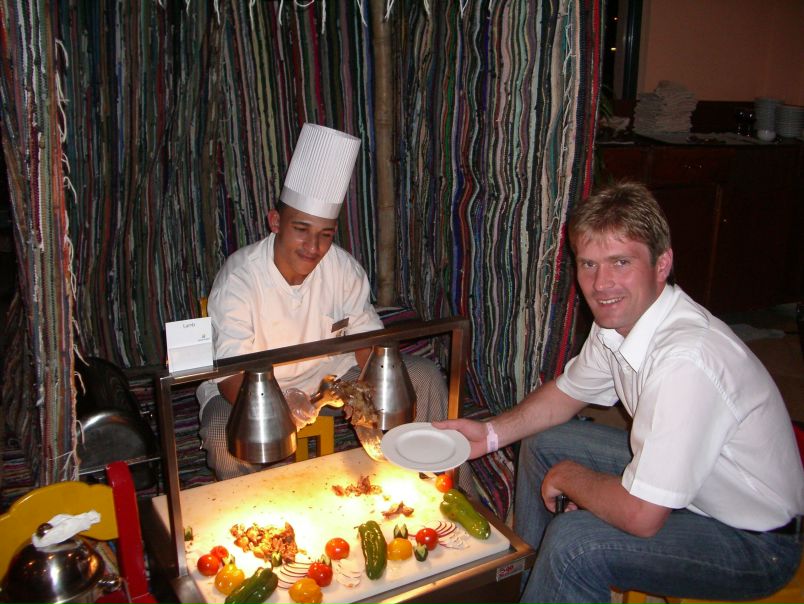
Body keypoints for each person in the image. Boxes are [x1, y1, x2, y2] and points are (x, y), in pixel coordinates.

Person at [436, 181, 804, 603]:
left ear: (662, 264)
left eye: (621, 262)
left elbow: (641, 516)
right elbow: (566, 394)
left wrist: (570, 478)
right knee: (542, 442)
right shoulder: (619, 325)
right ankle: (534, 587)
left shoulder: (685, 362)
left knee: (575, 544)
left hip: (756, 542)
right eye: (589, 264)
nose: (601, 284)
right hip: (698, 489)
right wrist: (490, 435)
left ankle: (554, 580)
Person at [196, 123, 451, 481]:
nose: (313, 247)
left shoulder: (343, 268)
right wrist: (280, 406)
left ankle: (432, 482)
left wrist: (372, 388)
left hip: (333, 378)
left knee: (424, 377)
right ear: (275, 222)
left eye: (325, 234)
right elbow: (231, 376)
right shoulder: (239, 278)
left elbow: (369, 343)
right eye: (301, 230)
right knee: (221, 433)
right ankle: (263, 509)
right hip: (257, 391)